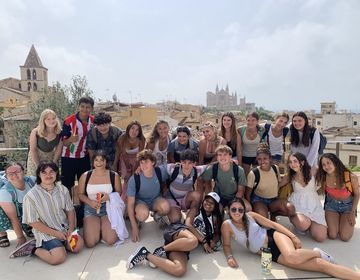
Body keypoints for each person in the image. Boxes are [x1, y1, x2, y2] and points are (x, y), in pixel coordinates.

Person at [221, 197, 360, 280]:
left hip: (273, 237)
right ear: (228, 211)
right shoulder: (227, 226)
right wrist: (229, 257)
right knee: (320, 265)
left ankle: (318, 252)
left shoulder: (251, 215)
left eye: (240, 209)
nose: (237, 212)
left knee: (292, 256)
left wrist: (293, 236)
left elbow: (273, 224)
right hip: (268, 254)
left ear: (244, 210)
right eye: (234, 210)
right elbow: (226, 245)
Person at [10, 161, 84, 264]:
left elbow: (70, 210)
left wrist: (71, 229)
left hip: (64, 228)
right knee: (58, 258)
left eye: (51, 172)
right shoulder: (31, 195)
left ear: (56, 173)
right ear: (39, 175)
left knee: (77, 247)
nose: (48, 175)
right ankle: (33, 248)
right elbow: (32, 222)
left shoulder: (63, 189)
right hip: (46, 233)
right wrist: (56, 234)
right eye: (44, 172)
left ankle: (61, 244)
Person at [126, 217, 198, 277]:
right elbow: (188, 223)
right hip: (178, 231)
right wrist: (204, 241)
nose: (209, 204)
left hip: (183, 245)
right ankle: (162, 249)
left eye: (210, 202)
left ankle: (145, 253)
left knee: (179, 270)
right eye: (207, 200)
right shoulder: (196, 208)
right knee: (193, 241)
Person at [78, 150, 122, 247]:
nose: (99, 163)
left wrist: (109, 196)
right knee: (90, 243)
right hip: (91, 208)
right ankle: (94, 227)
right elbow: (80, 194)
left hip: (108, 208)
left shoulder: (113, 175)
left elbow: (119, 192)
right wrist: (90, 202)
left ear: (106, 162)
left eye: (102, 160)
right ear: (93, 162)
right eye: (96, 160)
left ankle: (103, 227)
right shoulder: (85, 176)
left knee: (110, 240)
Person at [127, 149, 170, 242]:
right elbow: (130, 204)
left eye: (146, 162)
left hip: (156, 200)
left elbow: (175, 169)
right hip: (141, 203)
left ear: (153, 162)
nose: (143, 165)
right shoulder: (134, 179)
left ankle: (157, 215)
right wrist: (134, 227)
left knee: (166, 207)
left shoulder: (160, 171)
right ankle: (137, 220)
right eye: (141, 163)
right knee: (142, 214)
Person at [316, 153, 359, 241]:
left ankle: (342, 221)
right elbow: (318, 191)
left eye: (328, 163)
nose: (326, 166)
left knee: (345, 237)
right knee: (332, 235)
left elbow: (357, 194)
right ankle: (337, 221)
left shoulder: (350, 177)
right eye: (323, 165)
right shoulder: (323, 177)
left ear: (335, 162)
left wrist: (352, 212)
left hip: (348, 207)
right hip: (331, 206)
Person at [246, 143, 294, 219]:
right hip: (259, 200)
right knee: (264, 220)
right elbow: (248, 193)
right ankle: (262, 212)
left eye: (265, 158)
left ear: (270, 159)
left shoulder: (275, 168)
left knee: (291, 209)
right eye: (259, 159)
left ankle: (273, 214)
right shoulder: (254, 173)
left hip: (273, 200)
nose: (262, 161)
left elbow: (277, 184)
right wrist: (251, 209)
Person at [285, 153, 327, 241]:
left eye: (295, 161)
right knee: (303, 225)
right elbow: (277, 185)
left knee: (321, 237)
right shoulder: (290, 176)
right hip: (298, 204)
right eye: (290, 162)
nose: (292, 164)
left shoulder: (314, 170)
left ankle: (311, 225)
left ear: (303, 162)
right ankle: (297, 220)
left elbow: (328, 173)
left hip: (314, 204)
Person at [61, 96, 95, 196]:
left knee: (84, 184)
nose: (84, 109)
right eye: (82, 106)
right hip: (68, 157)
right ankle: (67, 209)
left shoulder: (93, 121)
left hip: (84, 158)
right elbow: (64, 142)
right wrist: (71, 139)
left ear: (91, 109)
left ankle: (83, 209)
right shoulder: (69, 121)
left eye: (87, 107)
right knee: (67, 185)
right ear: (78, 107)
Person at [201, 145, 250, 211]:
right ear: (217, 157)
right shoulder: (212, 168)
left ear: (230, 157)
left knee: (248, 208)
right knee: (216, 210)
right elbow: (207, 184)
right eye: (220, 155)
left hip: (234, 197)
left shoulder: (238, 170)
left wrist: (233, 204)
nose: (222, 157)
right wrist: (210, 198)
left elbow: (240, 191)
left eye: (225, 155)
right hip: (219, 196)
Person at [164, 149, 205, 225]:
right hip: (172, 199)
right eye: (184, 162)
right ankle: (169, 215)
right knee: (175, 219)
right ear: (180, 161)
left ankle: (189, 220)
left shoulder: (197, 171)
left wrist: (230, 161)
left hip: (185, 199)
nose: (186, 165)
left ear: (194, 163)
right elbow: (155, 170)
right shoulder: (173, 168)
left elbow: (210, 166)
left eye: (190, 163)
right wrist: (140, 168)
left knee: (197, 195)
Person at [0, 162, 35, 248]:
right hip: (12, 216)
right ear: (6, 177)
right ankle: (2, 234)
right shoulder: (5, 192)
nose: (14, 175)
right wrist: (20, 237)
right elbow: (13, 218)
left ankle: (29, 226)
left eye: (17, 171)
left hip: (26, 212)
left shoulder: (33, 181)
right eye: (10, 173)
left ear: (24, 172)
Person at [27, 109, 63, 176]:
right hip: (36, 158)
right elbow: (33, 149)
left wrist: (54, 163)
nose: (51, 121)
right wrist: (38, 166)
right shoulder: (35, 132)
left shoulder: (60, 133)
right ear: (43, 121)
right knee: (35, 179)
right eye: (48, 119)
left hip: (51, 158)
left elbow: (59, 149)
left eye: (53, 118)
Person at [117, 120, 146, 201]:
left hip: (137, 160)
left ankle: (134, 199)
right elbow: (123, 153)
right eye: (132, 128)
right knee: (127, 179)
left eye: (137, 130)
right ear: (128, 129)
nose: (134, 131)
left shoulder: (141, 139)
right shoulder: (122, 138)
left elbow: (141, 155)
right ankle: (124, 199)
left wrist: (136, 167)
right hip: (125, 160)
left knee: (135, 178)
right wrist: (128, 168)